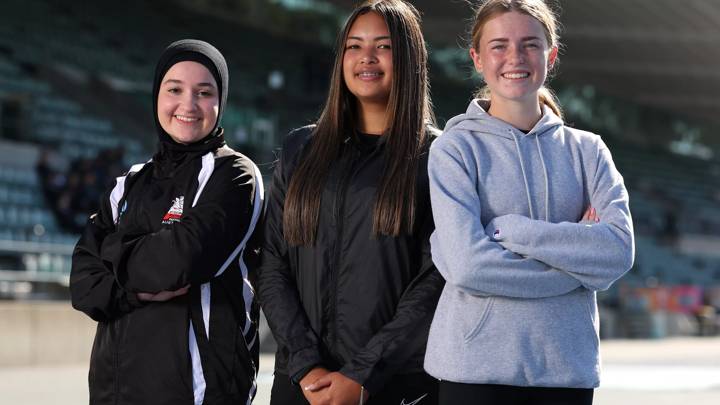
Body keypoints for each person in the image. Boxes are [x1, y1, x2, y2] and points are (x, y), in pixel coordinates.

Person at [423, 1, 634, 404]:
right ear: (478, 58)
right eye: (499, 45)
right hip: (473, 371)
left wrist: (513, 231)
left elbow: (618, 253)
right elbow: (469, 265)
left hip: (565, 370)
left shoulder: (588, 151)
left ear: (550, 56)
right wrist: (576, 264)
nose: (515, 58)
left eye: (530, 45)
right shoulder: (454, 149)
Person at [257, 1, 443, 404]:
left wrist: (362, 375)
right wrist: (306, 364)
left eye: (383, 46)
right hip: (302, 384)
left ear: (409, 58)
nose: (366, 58)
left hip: (394, 384)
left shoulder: (438, 156)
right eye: (354, 46)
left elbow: (435, 279)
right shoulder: (299, 149)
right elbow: (272, 262)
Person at [70, 39, 263, 405]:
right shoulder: (129, 182)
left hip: (199, 390)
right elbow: (82, 283)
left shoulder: (235, 174)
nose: (188, 104)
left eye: (204, 92)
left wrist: (112, 250)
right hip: (114, 390)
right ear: (156, 95)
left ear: (220, 103)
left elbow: (179, 262)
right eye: (174, 89)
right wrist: (136, 286)